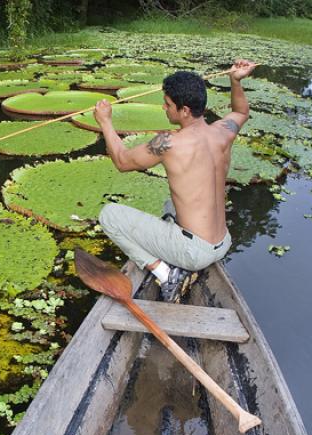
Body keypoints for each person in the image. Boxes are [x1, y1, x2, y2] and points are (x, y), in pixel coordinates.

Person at [95, 59, 257, 302]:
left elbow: (122, 161)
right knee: (170, 205)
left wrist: (106, 122)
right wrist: (236, 80)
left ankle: (165, 273)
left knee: (109, 215)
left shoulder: (169, 143)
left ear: (184, 110)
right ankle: (180, 259)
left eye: (168, 104)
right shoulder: (223, 131)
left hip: (193, 252)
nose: (163, 108)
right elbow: (242, 111)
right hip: (223, 242)